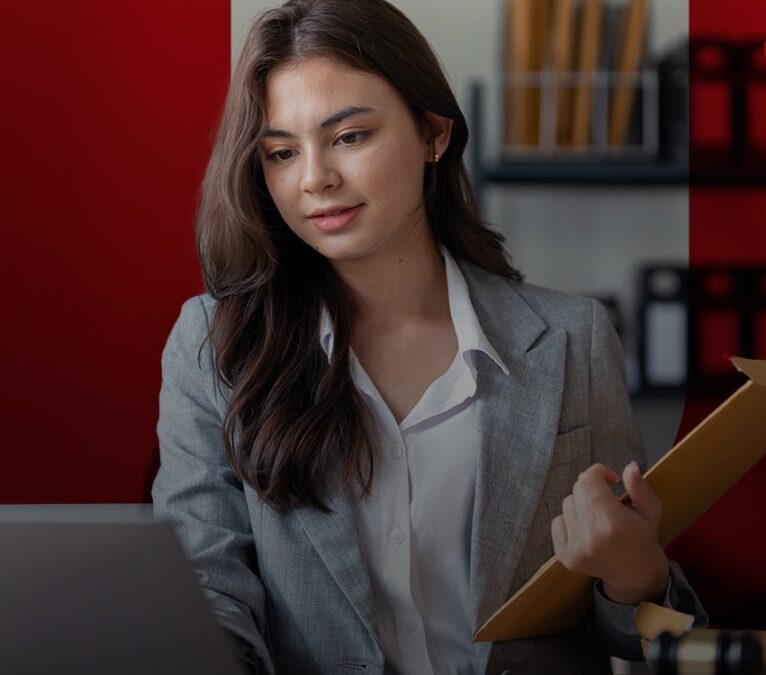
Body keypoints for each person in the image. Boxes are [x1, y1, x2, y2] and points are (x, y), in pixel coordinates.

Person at [152, 1, 706, 673]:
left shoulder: (572, 339)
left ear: (433, 133)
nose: (313, 178)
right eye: (280, 151)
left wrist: (638, 577)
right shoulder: (213, 349)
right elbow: (203, 594)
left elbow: (646, 632)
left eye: (350, 136)